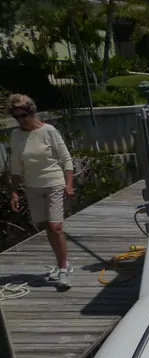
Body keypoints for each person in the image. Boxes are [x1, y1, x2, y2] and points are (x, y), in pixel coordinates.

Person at [7, 94, 74, 289]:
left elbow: (66, 159)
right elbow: (17, 167)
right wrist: (14, 192)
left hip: (54, 182)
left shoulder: (49, 131)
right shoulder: (16, 135)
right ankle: (63, 262)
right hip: (32, 186)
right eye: (16, 116)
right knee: (47, 227)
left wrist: (69, 185)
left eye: (24, 115)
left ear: (32, 112)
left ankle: (63, 270)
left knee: (55, 227)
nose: (21, 120)